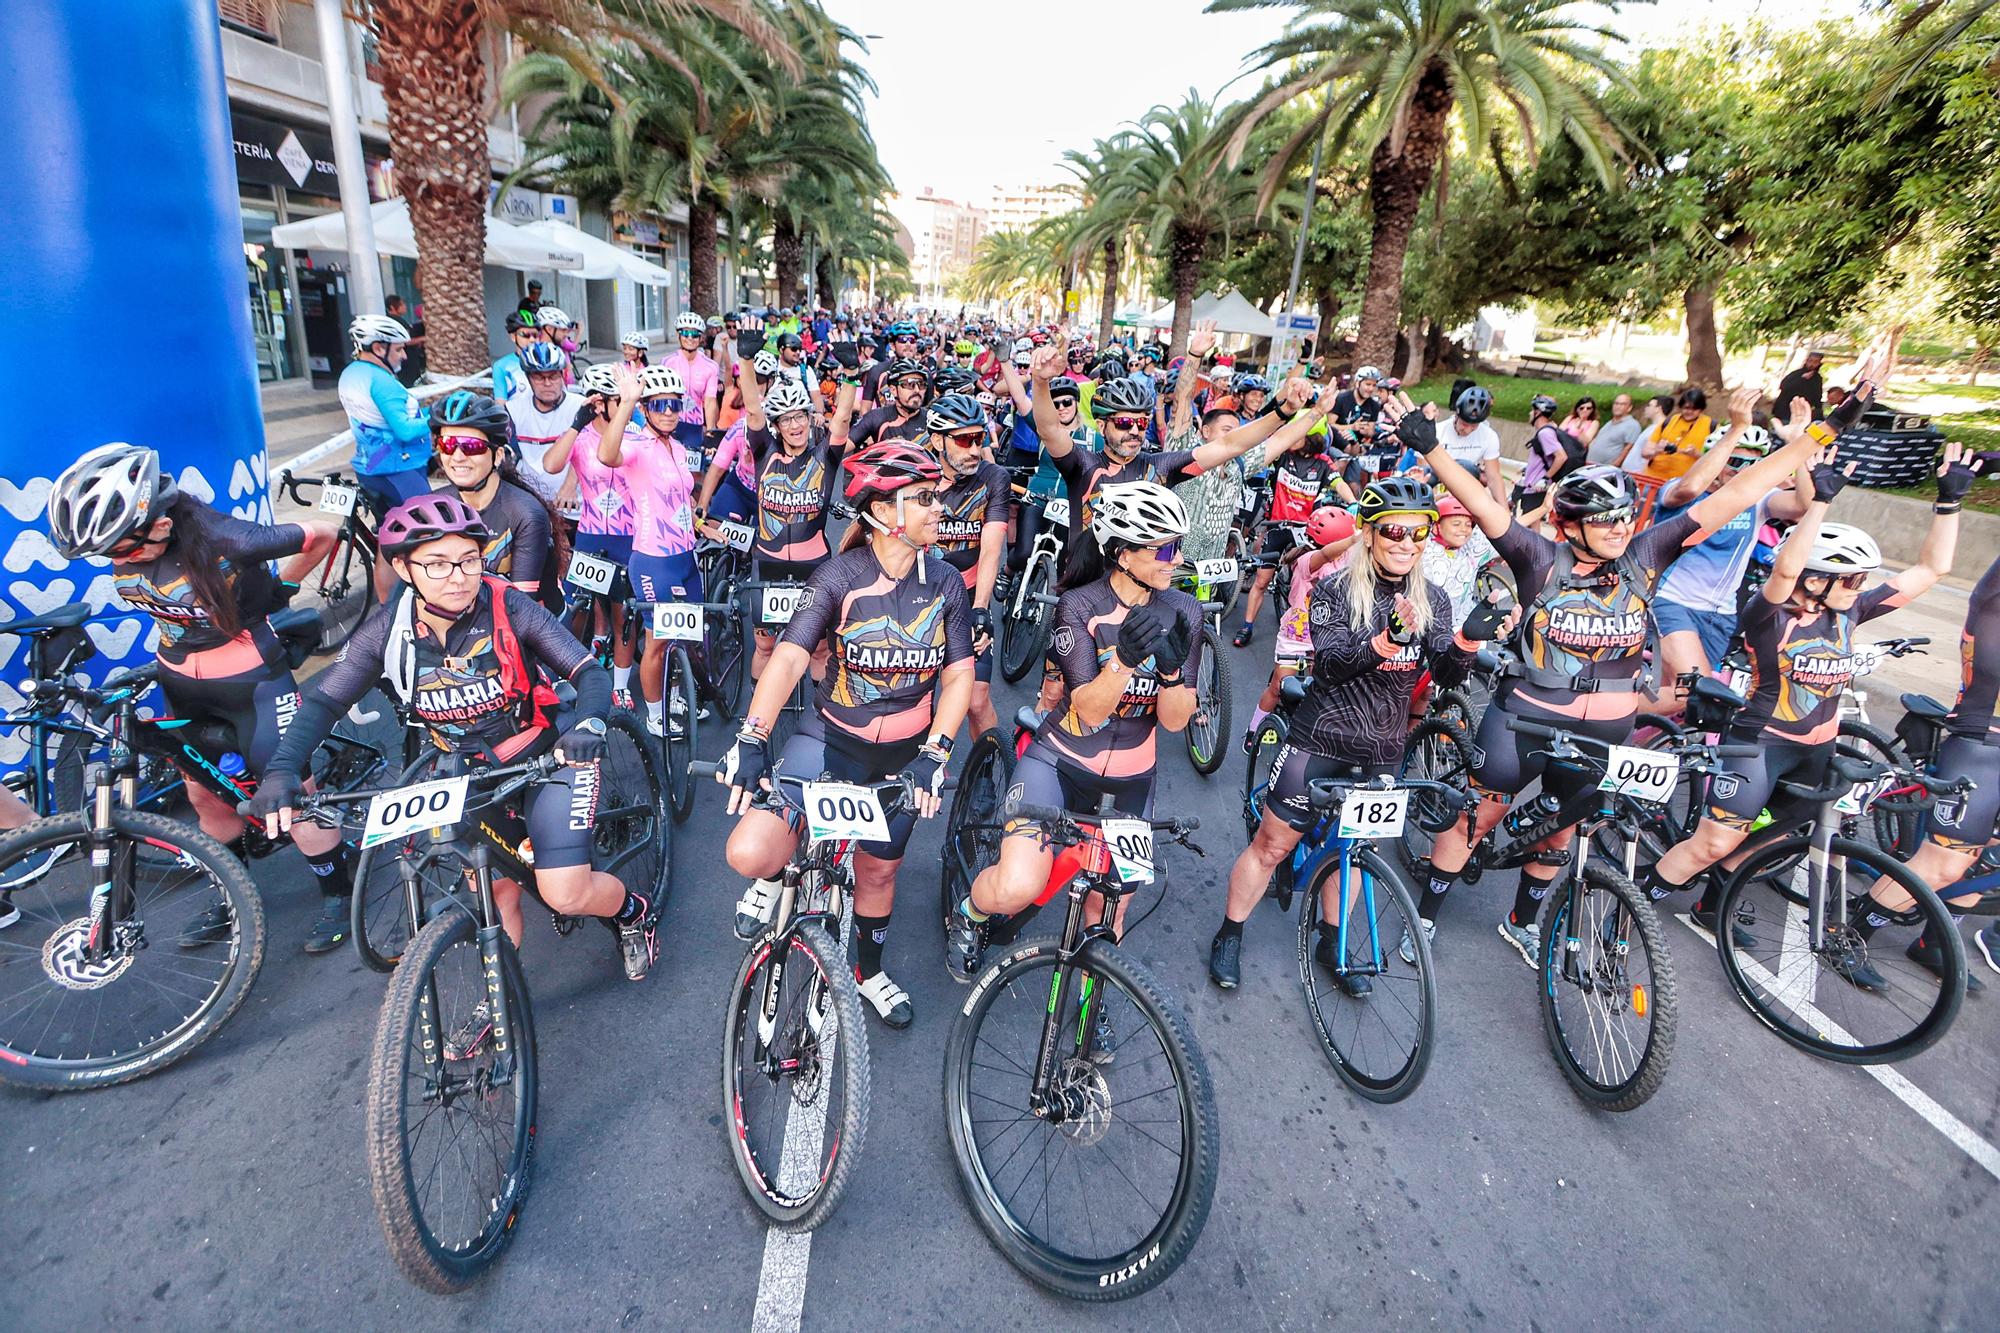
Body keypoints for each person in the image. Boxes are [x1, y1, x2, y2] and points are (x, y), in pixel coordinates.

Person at [1400, 369, 1834, 967]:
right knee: (1476, 818)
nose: (1620, 529)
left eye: (1625, 517)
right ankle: (1425, 914)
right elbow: (1478, 501)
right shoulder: (1537, 558)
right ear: (1570, 525)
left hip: (1605, 733)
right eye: (1605, 521)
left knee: (1559, 833)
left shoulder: (1645, 555)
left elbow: (1733, 496)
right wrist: (1429, 447)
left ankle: (1522, 923)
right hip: (1524, 722)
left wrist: (1819, 436)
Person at [244, 493, 664, 983]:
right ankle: (495, 1007)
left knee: (565, 893)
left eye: (468, 559)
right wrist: (281, 771)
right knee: (495, 891)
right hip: (464, 771)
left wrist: (591, 723)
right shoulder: (388, 631)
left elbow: (587, 672)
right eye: (437, 564)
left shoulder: (511, 606)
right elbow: (322, 702)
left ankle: (632, 912)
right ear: (403, 569)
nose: (459, 576)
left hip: (546, 757)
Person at [1642, 444, 1970, 985]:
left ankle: (1711, 906)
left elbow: (1933, 568)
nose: (1862, 586)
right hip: (1759, 745)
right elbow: (1785, 568)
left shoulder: (1852, 611)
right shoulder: (1768, 616)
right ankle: (1633, 908)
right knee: (1714, 841)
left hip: (1814, 752)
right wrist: (1816, 504)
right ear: (1817, 579)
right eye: (1854, 578)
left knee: (1770, 837)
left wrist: (1948, 501)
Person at [46, 444, 351, 953]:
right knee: (205, 796)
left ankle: (337, 894)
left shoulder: (228, 538)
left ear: (159, 523)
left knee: (292, 798)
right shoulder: (137, 545)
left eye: (121, 548)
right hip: (180, 683)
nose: (115, 560)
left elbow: (323, 534)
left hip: (251, 682)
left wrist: (281, 590)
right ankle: (234, 895)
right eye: (107, 554)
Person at [718, 442, 974, 1027]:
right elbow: (787, 658)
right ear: (884, 514)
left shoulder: (948, 585)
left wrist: (937, 751)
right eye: (925, 499)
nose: (940, 508)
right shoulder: (839, 575)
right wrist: (753, 736)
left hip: (905, 754)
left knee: (878, 871)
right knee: (749, 851)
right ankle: (776, 878)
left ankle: (867, 971)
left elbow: (958, 676)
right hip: (831, 740)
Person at [1209, 478, 1501, 987]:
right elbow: (1333, 664)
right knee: (1272, 845)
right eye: (1393, 532)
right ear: (1368, 533)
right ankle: (1230, 933)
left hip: (1383, 749)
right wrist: (1386, 640)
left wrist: (1466, 641)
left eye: (1418, 534)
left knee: (1354, 854)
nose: (1406, 544)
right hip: (1321, 738)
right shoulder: (1335, 589)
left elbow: (1449, 676)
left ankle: (1332, 941)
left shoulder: (1432, 598)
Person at [945, 482, 1201, 980]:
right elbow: (1086, 710)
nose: (1176, 559)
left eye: (1179, 546)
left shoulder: (1184, 611)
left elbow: (1174, 720)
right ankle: (970, 914)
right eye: (1165, 548)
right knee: (1018, 886)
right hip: (1060, 766)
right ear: (1123, 553)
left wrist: (1171, 674)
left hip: (1132, 779)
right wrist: (1124, 661)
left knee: (1112, 910)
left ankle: (1092, 1005)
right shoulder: (1081, 605)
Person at [1648, 390, 1804, 705]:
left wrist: (1798, 445)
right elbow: (1690, 486)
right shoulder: (1680, 492)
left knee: (1677, 696)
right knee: (1697, 692)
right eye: (1733, 460)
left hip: (1720, 613)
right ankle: (1602, 715)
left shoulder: (1757, 502)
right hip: (1671, 602)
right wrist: (1735, 430)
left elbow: (1803, 504)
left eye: (1751, 463)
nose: (1740, 469)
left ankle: (1644, 742)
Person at [731, 353, 856, 689]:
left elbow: (843, 417)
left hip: (813, 567)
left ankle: (819, 719)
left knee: (819, 650)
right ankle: (755, 717)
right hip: (767, 565)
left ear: (809, 417)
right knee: (765, 646)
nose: (795, 425)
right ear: (777, 426)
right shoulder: (765, 453)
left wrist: (851, 374)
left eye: (799, 416)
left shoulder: (825, 457)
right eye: (786, 420)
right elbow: (753, 410)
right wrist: (744, 360)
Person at [595, 364, 708, 737]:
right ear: (646, 407)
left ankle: (676, 697)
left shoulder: (677, 447)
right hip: (652, 560)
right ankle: (655, 715)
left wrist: (702, 524)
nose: (668, 412)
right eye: (659, 405)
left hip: (685, 558)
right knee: (657, 642)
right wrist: (626, 402)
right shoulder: (636, 445)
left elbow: (681, 500)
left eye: (675, 405)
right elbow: (606, 455)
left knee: (684, 637)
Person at [542, 362, 640, 707]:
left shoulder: (634, 437)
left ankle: (622, 683)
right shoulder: (581, 440)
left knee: (621, 611)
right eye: (619, 399)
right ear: (600, 404)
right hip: (592, 534)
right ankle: (580, 665)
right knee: (580, 607)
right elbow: (551, 464)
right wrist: (575, 423)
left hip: (628, 538)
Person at [925, 392, 1012, 738]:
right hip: (921, 596)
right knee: (919, 695)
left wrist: (980, 610)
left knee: (976, 699)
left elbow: (992, 549)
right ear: (937, 440)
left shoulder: (993, 478)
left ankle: (987, 772)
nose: (975, 449)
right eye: (964, 439)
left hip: (969, 595)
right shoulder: (918, 473)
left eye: (980, 437)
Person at [1242, 504, 1358, 750]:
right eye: (1346, 540)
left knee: (1321, 685)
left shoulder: (1348, 559)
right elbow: (1326, 555)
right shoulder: (1307, 560)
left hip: (1328, 635)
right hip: (1297, 635)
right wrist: (1354, 539)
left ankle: (1310, 728)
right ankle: (1254, 728)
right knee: (1278, 687)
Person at [429, 391, 555, 598]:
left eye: (471, 447)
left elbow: (521, 606)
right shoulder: (434, 507)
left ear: (497, 456)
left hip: (529, 616)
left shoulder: (526, 514)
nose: (458, 457)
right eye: (448, 445)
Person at [338, 315, 432, 514]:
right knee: (429, 531)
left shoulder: (350, 373)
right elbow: (405, 430)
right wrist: (435, 417)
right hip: (399, 469)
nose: (404, 356)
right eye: (398, 349)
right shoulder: (381, 381)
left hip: (369, 468)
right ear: (379, 348)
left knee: (388, 534)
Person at [503, 341, 584, 504]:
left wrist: (569, 485)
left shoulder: (580, 406)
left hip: (572, 502)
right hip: (531, 501)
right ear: (528, 378)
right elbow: (507, 457)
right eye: (539, 377)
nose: (547, 383)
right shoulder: (513, 409)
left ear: (563, 375)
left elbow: (588, 450)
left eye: (553, 376)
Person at [663, 311, 722, 454]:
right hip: (670, 423)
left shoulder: (711, 367)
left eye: (695, 334)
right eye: (685, 333)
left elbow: (709, 402)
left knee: (695, 472)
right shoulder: (667, 362)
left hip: (694, 427)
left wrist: (710, 432)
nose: (690, 338)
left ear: (701, 337)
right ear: (679, 335)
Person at [1515, 394, 1584, 512]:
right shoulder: (1547, 430)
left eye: (1532, 410)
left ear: (1538, 413)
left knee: (1530, 522)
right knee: (1531, 522)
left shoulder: (1545, 433)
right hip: (1532, 484)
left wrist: (1545, 478)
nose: (1530, 413)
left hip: (1537, 487)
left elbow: (1561, 457)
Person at [1440, 386, 1506, 503]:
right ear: (1456, 415)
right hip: (1440, 487)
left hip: (1468, 491)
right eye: (1464, 424)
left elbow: (1494, 477)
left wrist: (1504, 510)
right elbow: (1426, 471)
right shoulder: (1438, 431)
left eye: (1474, 426)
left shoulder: (1489, 436)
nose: (1468, 430)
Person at [851, 358, 931, 446]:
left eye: (921, 384)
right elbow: (839, 447)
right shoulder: (876, 417)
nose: (917, 390)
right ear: (893, 390)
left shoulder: (932, 420)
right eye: (909, 384)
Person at [1642, 387, 1712, 482]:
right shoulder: (1668, 421)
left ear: (1701, 409)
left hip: (1681, 484)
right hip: (1652, 478)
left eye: (1695, 409)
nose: (1689, 412)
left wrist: (1696, 454)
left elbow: (1715, 461)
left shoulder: (1711, 426)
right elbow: (1645, 453)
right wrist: (1657, 450)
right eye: (1686, 408)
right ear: (1681, 406)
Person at [1622, 394, 1676, 475]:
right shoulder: (1651, 427)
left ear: (1658, 409)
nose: (1646, 409)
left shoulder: (1662, 429)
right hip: (1629, 471)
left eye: (1650, 406)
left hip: (1638, 474)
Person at [491, 313, 540, 402]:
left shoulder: (549, 361)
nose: (532, 339)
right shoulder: (501, 366)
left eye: (535, 335)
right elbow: (500, 403)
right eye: (526, 335)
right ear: (513, 337)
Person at [1587, 392, 1644, 468]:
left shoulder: (1632, 425)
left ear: (1629, 408)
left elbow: (1628, 448)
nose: (1618, 406)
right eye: (1616, 403)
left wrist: (1613, 466)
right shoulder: (1610, 422)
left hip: (1605, 470)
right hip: (1590, 465)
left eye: (1622, 404)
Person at [385, 294, 427, 387]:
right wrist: (423, 338)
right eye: (402, 304)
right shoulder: (397, 321)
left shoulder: (391, 320)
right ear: (392, 307)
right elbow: (406, 341)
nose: (405, 306)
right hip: (408, 361)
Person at [1776, 350, 1826, 420]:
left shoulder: (1817, 379)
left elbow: (1817, 397)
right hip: (1785, 411)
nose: (1812, 364)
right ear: (1806, 361)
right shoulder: (1796, 374)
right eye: (1810, 361)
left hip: (1802, 413)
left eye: (1815, 362)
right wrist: (1801, 379)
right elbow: (1783, 386)